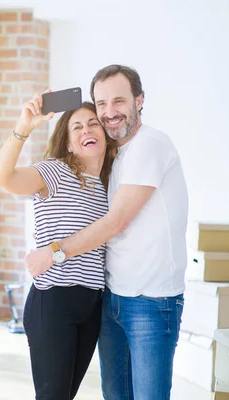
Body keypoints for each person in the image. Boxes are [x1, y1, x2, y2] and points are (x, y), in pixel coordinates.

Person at [25, 65, 189, 400]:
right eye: (101, 104)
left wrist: (54, 251)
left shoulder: (150, 145)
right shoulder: (111, 159)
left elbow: (115, 222)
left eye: (119, 101)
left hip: (150, 301)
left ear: (139, 101)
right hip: (112, 298)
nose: (110, 112)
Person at [0, 91, 117, 400]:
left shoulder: (112, 186)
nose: (87, 130)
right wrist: (24, 126)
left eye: (93, 124)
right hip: (54, 301)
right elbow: (0, 176)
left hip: (92, 304)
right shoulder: (55, 171)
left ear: (104, 134)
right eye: (77, 127)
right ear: (69, 142)